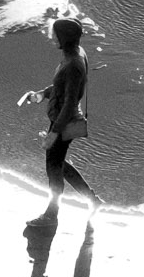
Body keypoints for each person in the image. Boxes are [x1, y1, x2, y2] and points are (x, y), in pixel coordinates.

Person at [24, 17, 97, 218]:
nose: (51, 36)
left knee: (53, 168)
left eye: (54, 34)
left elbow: (70, 102)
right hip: (62, 119)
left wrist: (54, 133)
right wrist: (43, 93)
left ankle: (52, 213)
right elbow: (62, 87)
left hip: (64, 122)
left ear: (63, 38)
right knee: (57, 163)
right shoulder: (73, 53)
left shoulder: (73, 63)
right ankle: (92, 199)